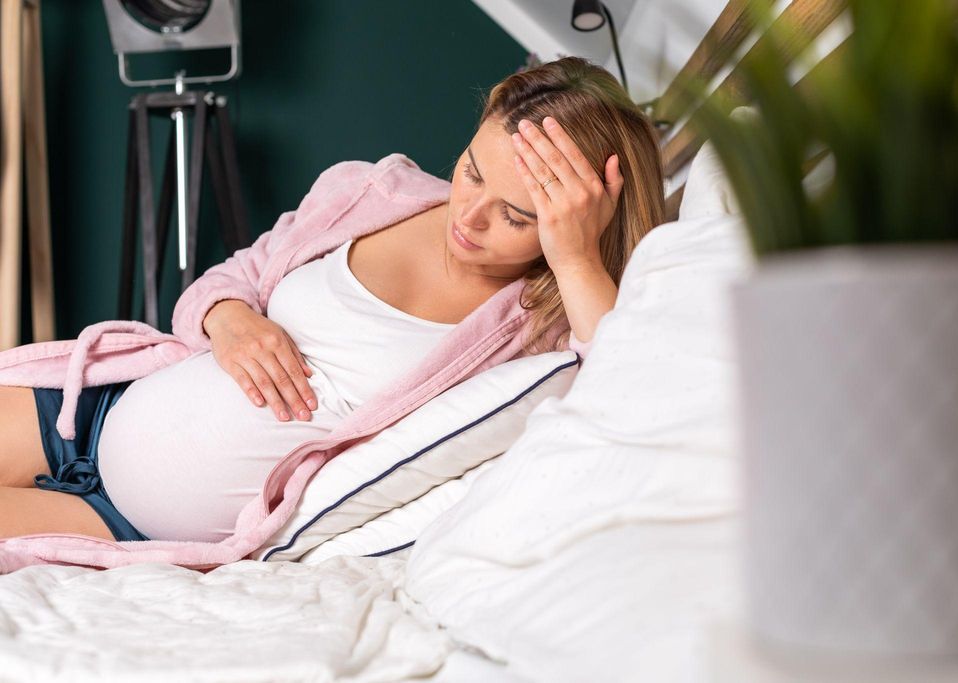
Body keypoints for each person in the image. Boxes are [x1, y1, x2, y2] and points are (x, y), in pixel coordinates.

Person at [0, 56, 666, 545]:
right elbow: (231, 276)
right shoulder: (374, 191)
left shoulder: (539, 326)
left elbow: (622, 407)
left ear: (575, 220)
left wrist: (578, 255)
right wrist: (229, 320)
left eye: (517, 216)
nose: (473, 214)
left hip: (132, 524)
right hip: (90, 407)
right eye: (472, 170)